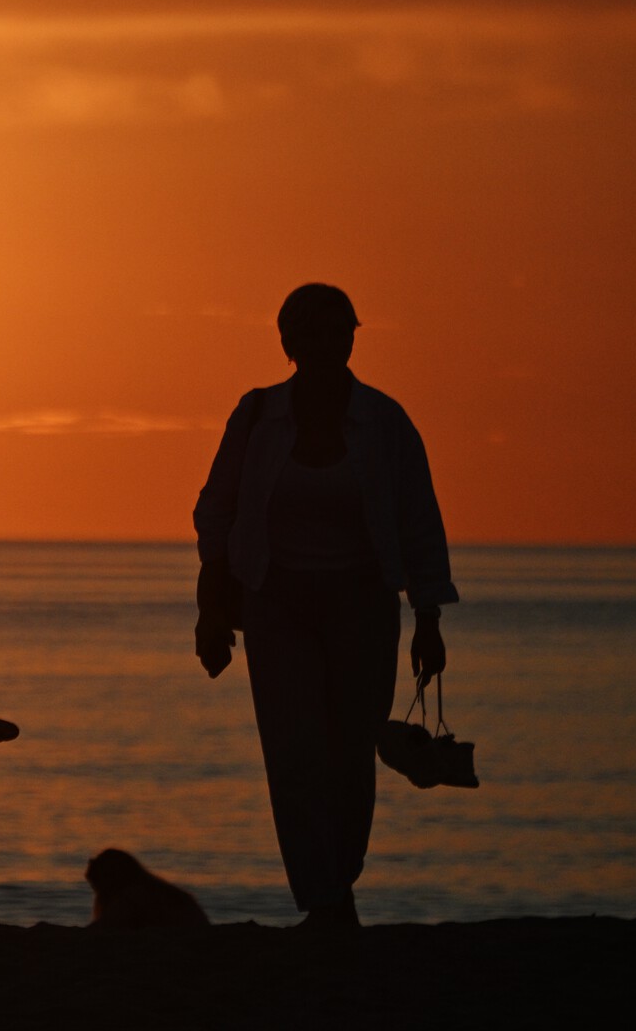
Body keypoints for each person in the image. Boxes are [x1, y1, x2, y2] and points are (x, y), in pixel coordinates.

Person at [192, 283, 457, 932]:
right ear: (286, 343)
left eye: (335, 332)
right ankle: (325, 899)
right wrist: (210, 609)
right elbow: (216, 514)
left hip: (363, 605)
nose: (321, 345)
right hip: (275, 605)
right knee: (293, 753)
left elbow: (418, 521)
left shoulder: (385, 423)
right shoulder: (257, 418)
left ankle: (339, 882)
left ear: (351, 339)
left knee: (349, 754)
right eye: (307, 333)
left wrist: (428, 619)